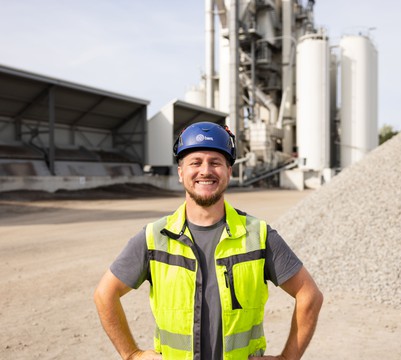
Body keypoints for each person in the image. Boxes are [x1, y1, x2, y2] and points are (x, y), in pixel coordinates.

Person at [94, 121, 323, 360]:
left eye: (215, 162)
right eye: (195, 162)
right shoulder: (154, 237)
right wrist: (132, 354)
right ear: (181, 172)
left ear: (229, 172)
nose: (205, 171)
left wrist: (287, 358)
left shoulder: (259, 236)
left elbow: (310, 295)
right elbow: (104, 295)